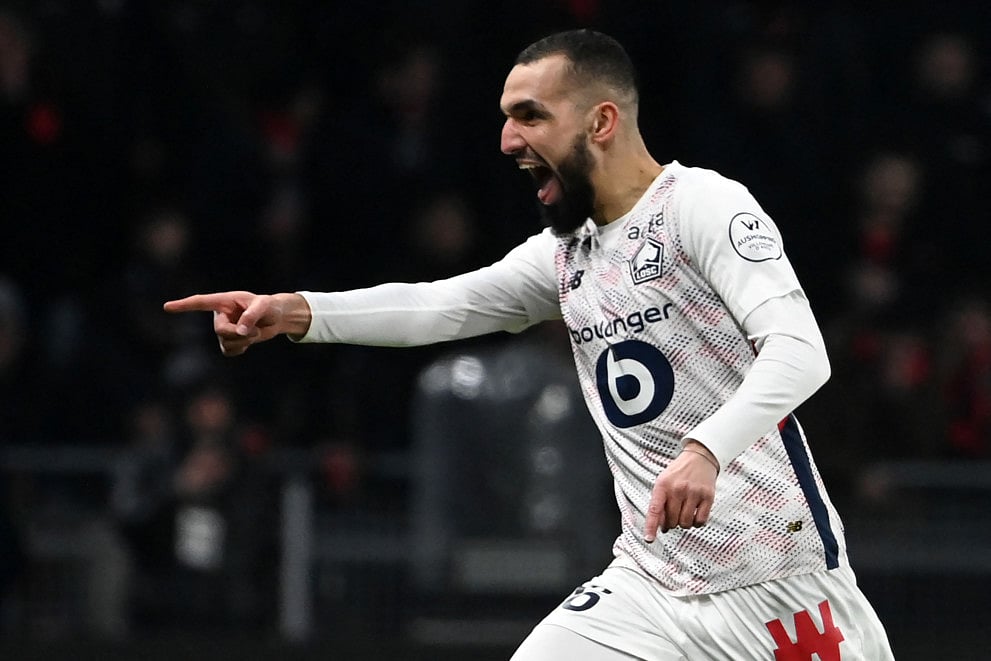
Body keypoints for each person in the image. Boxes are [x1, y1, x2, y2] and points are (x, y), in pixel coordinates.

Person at [164, 29, 894, 660]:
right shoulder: (566, 254)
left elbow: (802, 351)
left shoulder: (701, 204)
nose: (508, 140)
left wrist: (704, 450)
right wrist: (293, 311)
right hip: (650, 582)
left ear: (601, 120)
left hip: (776, 581)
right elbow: (438, 305)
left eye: (530, 116)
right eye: (506, 118)